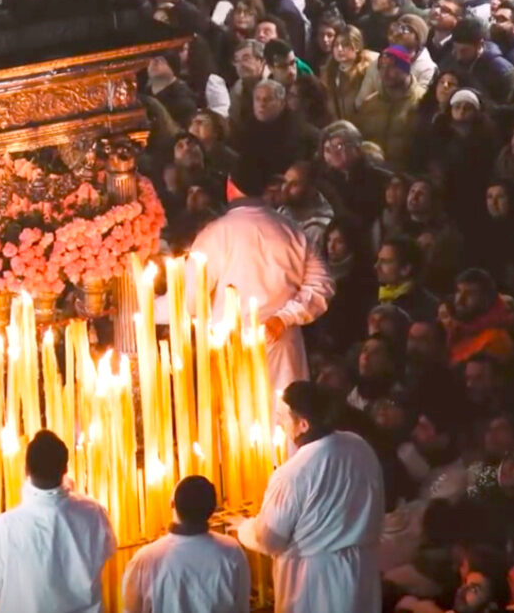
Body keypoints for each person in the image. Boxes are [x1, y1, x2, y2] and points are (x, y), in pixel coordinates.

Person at [0, 430, 117, 613]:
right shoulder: (93, 513)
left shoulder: (4, 530)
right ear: (65, 468)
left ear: (26, 469)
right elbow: (107, 552)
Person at [238, 382, 384, 612]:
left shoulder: (293, 473)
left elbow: (269, 539)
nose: (279, 423)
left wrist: (244, 527)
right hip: (360, 573)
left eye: (283, 417)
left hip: (315, 584)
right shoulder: (359, 446)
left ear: (303, 424)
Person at [189, 203, 333, 400]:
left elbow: (189, 297)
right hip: (253, 346)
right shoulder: (291, 230)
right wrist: (283, 318)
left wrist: (283, 319)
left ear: (230, 185)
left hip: (239, 347)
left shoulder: (216, 233)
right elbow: (321, 286)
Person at [121, 475, 251, 613]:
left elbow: (131, 609)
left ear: (172, 504)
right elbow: (242, 606)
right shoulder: (231, 551)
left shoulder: (146, 559)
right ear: (212, 509)